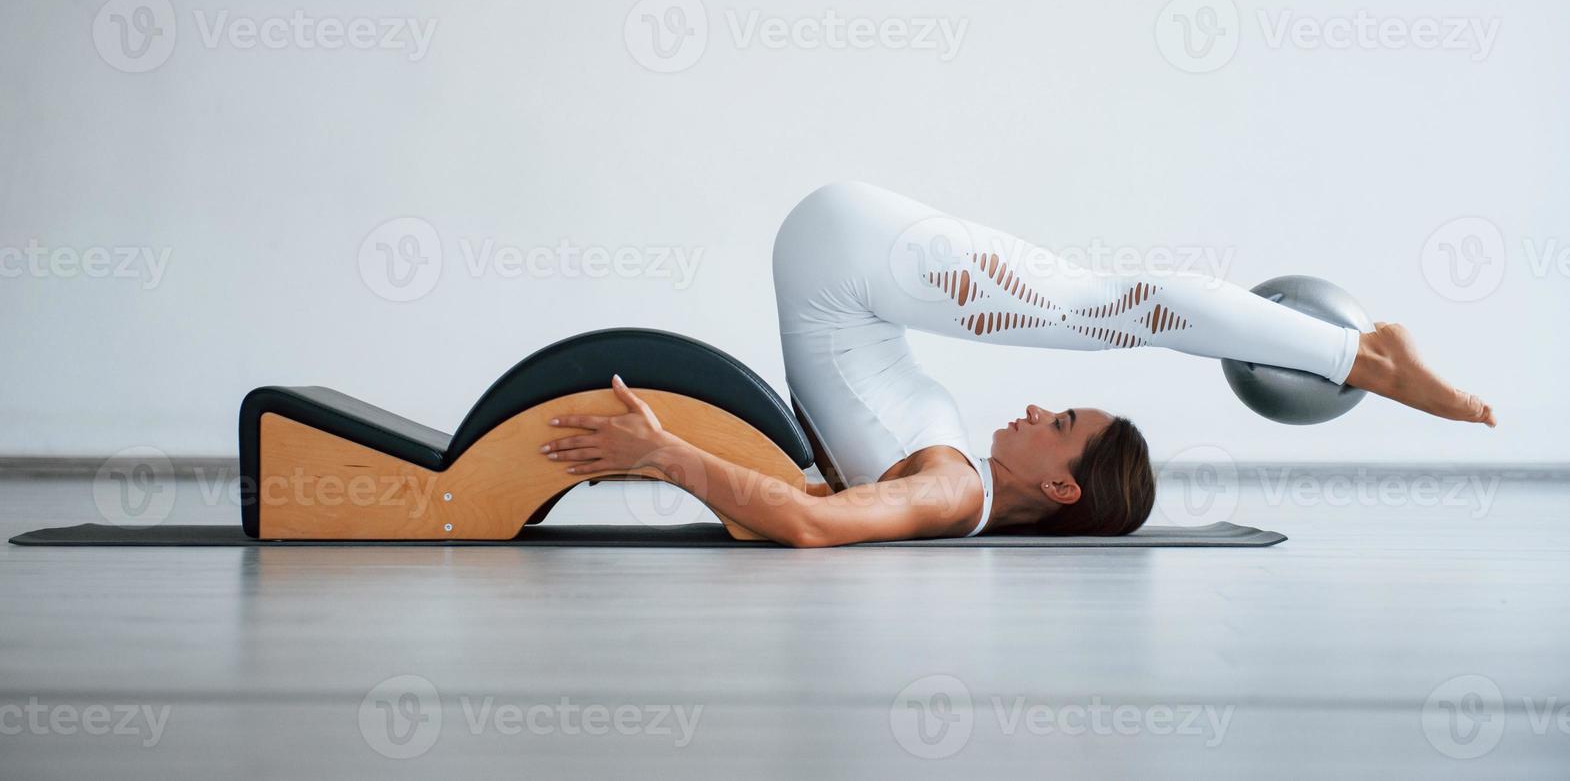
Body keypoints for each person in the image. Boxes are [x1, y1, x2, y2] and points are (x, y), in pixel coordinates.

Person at [538, 182, 1495, 547]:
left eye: (1062, 428)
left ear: (1061, 490)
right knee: (1104, 305)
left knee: (1111, 306)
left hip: (853, 260)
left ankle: (1362, 361)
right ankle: (1356, 357)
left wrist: (667, 456)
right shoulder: (953, 483)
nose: (1040, 410)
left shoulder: (952, 494)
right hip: (861, 261)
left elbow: (809, 525)